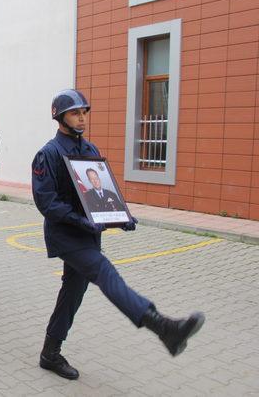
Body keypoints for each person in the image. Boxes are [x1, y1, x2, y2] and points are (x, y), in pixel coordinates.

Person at [31, 89, 204, 380]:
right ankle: (163, 327)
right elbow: (46, 202)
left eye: (85, 111)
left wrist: (120, 216)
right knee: (104, 272)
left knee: (72, 293)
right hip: (66, 236)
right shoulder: (47, 153)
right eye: (75, 112)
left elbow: (102, 193)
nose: (82, 117)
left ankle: (50, 353)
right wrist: (81, 222)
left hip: (89, 235)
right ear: (59, 117)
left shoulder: (89, 149)